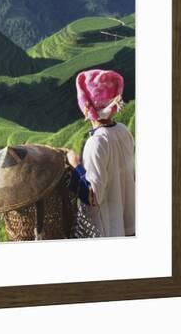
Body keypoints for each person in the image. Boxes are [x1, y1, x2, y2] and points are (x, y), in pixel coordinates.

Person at [66, 69, 135, 238]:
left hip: (109, 230)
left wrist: (75, 165)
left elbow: (93, 197)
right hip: (129, 222)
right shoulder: (123, 131)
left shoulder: (96, 143)